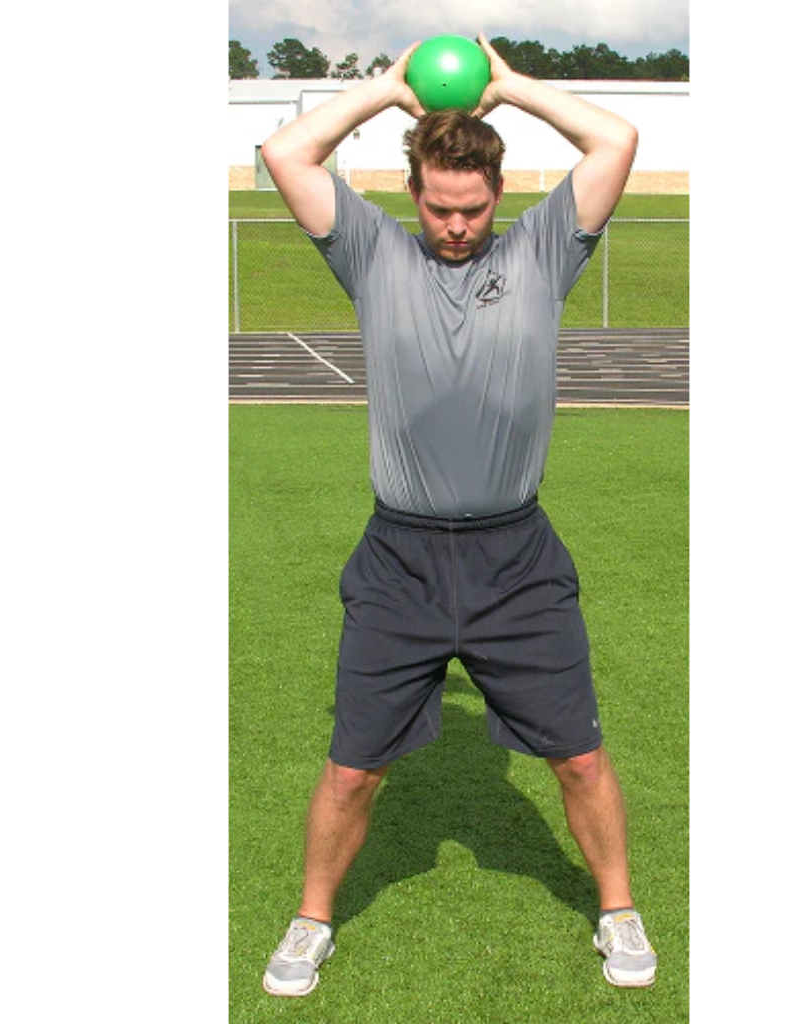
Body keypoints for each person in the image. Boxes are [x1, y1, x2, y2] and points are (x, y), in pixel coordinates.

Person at [258, 32, 656, 997]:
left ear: (499, 193)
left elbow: (615, 140)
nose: (456, 225)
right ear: (413, 193)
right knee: (352, 769)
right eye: (439, 207)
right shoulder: (373, 255)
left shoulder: (542, 252)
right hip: (398, 561)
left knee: (579, 758)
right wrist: (386, 89)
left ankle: (617, 908)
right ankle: (312, 919)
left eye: (473, 208)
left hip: (517, 559)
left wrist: (512, 85)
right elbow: (285, 153)